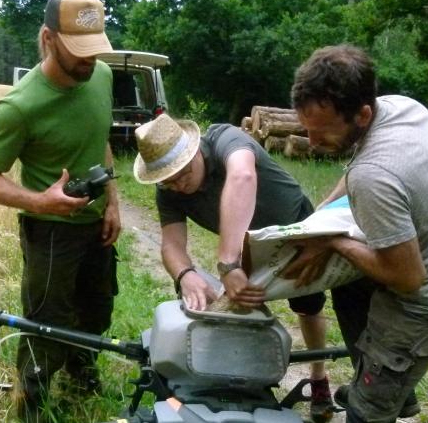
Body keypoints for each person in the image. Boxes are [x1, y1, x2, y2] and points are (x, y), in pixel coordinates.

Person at [285, 44, 428, 423]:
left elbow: (407, 278)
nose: (312, 140)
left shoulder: (376, 174)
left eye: (322, 131)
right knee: (350, 284)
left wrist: (333, 240)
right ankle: (390, 390)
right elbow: (357, 171)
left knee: (363, 414)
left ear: (362, 114)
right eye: (306, 127)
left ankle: (374, 400)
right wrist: (319, 215)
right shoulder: (403, 107)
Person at [0, 0, 121, 423]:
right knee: (45, 324)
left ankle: (82, 376)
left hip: (97, 225)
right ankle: (30, 404)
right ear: (49, 38)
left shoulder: (101, 76)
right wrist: (40, 202)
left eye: (95, 50)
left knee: (96, 308)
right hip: (51, 233)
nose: (88, 61)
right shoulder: (21, 106)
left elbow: (101, 139)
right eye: (79, 51)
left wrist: (113, 203)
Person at [132, 114, 335, 422]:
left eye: (181, 174)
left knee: (308, 307)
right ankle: (238, 378)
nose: (177, 184)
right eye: (167, 180)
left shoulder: (226, 139)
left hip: (295, 229)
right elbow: (172, 245)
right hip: (245, 245)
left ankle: (319, 379)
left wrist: (228, 264)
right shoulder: (169, 191)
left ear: (196, 152)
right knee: (233, 308)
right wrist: (185, 275)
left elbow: (242, 176)